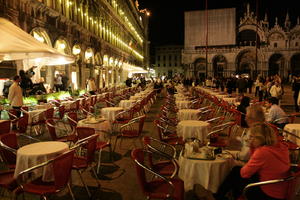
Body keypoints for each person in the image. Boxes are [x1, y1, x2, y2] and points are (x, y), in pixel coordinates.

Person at [215, 123, 290, 200]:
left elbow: (244, 174)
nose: (249, 139)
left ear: (259, 138)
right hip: (279, 189)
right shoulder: (281, 147)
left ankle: (219, 196)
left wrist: (252, 148)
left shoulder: (263, 152)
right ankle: (222, 196)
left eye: (251, 137)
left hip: (268, 193)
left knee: (236, 172)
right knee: (237, 172)